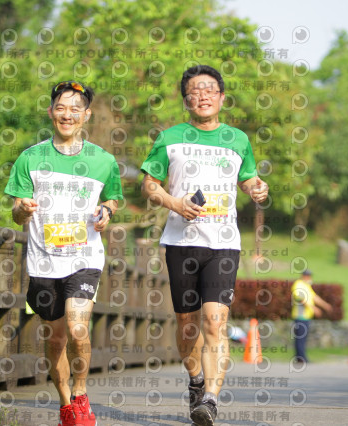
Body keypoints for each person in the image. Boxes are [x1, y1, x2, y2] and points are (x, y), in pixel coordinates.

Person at [140, 64, 269, 426]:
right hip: (180, 242)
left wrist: (258, 188)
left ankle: (210, 399)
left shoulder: (237, 139)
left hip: (223, 245)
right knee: (187, 325)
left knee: (215, 322)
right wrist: (175, 203)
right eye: (195, 91)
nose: (203, 96)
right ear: (186, 100)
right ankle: (196, 379)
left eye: (210, 89)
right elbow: (149, 185)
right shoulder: (170, 138)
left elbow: (249, 179)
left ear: (222, 98)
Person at [5, 80, 123, 426]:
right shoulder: (30, 158)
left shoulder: (103, 160)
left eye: (75, 109)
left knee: (77, 327)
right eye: (61, 108)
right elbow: (16, 212)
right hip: (43, 261)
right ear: (50, 112)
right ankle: (65, 402)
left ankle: (82, 394)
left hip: (85, 258)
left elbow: (113, 197)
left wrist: (107, 211)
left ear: (87, 115)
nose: (67, 114)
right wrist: (22, 210)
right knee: (56, 337)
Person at [291, 269, 333, 364]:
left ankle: (300, 357)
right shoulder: (298, 285)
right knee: (300, 338)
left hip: (306, 316)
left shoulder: (306, 286)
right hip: (300, 316)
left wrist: (325, 305)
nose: (309, 278)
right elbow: (300, 299)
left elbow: (314, 297)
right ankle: (301, 358)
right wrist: (313, 308)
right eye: (308, 276)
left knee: (303, 338)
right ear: (304, 276)